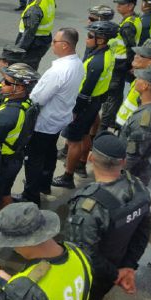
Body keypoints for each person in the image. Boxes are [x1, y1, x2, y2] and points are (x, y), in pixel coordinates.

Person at [66, 133, 151, 300]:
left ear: (92, 158)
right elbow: (144, 231)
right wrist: (127, 267)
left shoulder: (89, 205)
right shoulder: (139, 188)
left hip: (94, 277)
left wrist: (118, 273)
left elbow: (85, 254)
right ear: (122, 162)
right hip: (115, 266)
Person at [21, 28, 84, 205]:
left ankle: (31, 195)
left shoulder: (59, 71)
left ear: (64, 45)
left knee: (34, 158)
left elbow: (38, 98)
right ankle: (44, 184)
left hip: (45, 121)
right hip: (59, 118)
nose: (52, 44)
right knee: (49, 153)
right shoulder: (76, 63)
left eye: (54, 41)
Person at [0, 63, 40, 255]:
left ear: (20, 88)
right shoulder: (27, 104)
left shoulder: (7, 114)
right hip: (15, 158)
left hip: (0, 163)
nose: (2, 85)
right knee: (5, 194)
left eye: (7, 82)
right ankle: (5, 227)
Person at [52, 21, 119, 190]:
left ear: (101, 40)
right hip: (95, 102)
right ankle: (81, 164)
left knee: (74, 141)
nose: (86, 39)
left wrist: (74, 111)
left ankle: (68, 176)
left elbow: (85, 91)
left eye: (90, 36)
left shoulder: (96, 62)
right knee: (85, 135)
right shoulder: (107, 53)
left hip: (84, 104)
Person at [119, 64, 151, 185]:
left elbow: (132, 156)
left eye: (139, 79)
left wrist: (116, 176)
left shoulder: (144, 121)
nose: (136, 80)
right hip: (140, 168)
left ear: (145, 86)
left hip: (130, 177)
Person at [101, 0, 142, 132]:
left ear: (130, 6)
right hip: (121, 63)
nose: (118, 6)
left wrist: (132, 64)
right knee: (116, 95)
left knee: (112, 97)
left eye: (121, 4)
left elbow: (130, 47)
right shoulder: (134, 19)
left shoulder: (127, 25)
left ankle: (104, 125)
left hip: (119, 64)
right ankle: (112, 120)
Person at [116, 40, 151, 129]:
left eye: (141, 55)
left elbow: (145, 123)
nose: (135, 56)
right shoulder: (142, 77)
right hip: (124, 126)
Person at [15, 0, 56, 70]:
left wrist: (18, 50)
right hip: (44, 40)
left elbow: (29, 32)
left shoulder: (35, 8)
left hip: (33, 43)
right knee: (33, 66)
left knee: (24, 70)